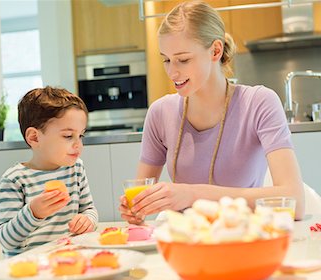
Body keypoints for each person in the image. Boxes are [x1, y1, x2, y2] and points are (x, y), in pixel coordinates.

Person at [119, 1, 305, 223]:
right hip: (185, 241)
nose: (172, 71)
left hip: (244, 237)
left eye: (183, 59)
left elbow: (295, 201)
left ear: (215, 51)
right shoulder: (160, 113)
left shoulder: (259, 103)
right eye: (166, 60)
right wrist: (136, 208)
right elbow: (140, 198)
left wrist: (193, 194)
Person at [0, 86, 98, 257]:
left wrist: (87, 220)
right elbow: (6, 240)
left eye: (81, 135)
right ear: (34, 137)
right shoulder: (15, 179)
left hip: (67, 262)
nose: (78, 144)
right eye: (68, 136)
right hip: (27, 270)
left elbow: (89, 209)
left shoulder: (76, 169)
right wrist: (33, 213)